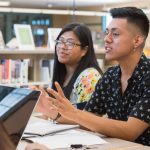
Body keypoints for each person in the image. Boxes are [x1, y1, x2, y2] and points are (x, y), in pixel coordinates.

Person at [46, 7, 150, 146]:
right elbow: (90, 119)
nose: (107, 39)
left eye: (116, 34)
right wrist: (59, 112)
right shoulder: (110, 76)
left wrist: (75, 113)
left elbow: (130, 131)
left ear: (137, 41)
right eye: (107, 33)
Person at [36, 23, 102, 119]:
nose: (62, 46)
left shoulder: (89, 77)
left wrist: (51, 113)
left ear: (84, 50)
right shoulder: (62, 73)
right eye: (60, 41)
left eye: (70, 43)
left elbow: (87, 121)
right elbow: (50, 114)